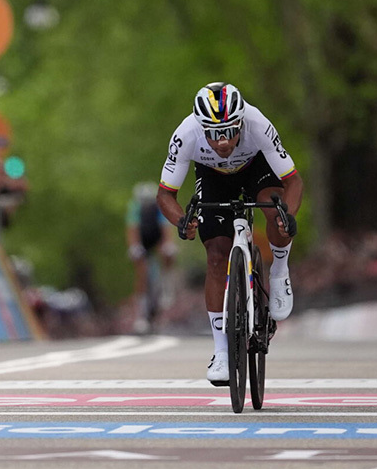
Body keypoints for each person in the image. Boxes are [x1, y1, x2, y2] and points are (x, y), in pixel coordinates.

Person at [156, 82, 303, 386]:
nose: (222, 142)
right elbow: (165, 194)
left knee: (275, 213)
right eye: (212, 133)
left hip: (256, 168)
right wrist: (182, 220)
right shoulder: (186, 135)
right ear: (200, 128)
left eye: (229, 132)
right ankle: (221, 352)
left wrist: (287, 216)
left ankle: (278, 270)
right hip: (213, 177)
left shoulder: (257, 124)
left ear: (241, 122)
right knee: (216, 256)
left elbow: (294, 181)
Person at [125, 181, 176, 333]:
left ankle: (167, 281)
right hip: (143, 239)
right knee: (142, 272)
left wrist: (168, 245)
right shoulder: (134, 207)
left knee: (167, 253)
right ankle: (141, 313)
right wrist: (134, 247)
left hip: (157, 237)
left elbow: (165, 228)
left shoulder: (158, 207)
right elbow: (132, 228)